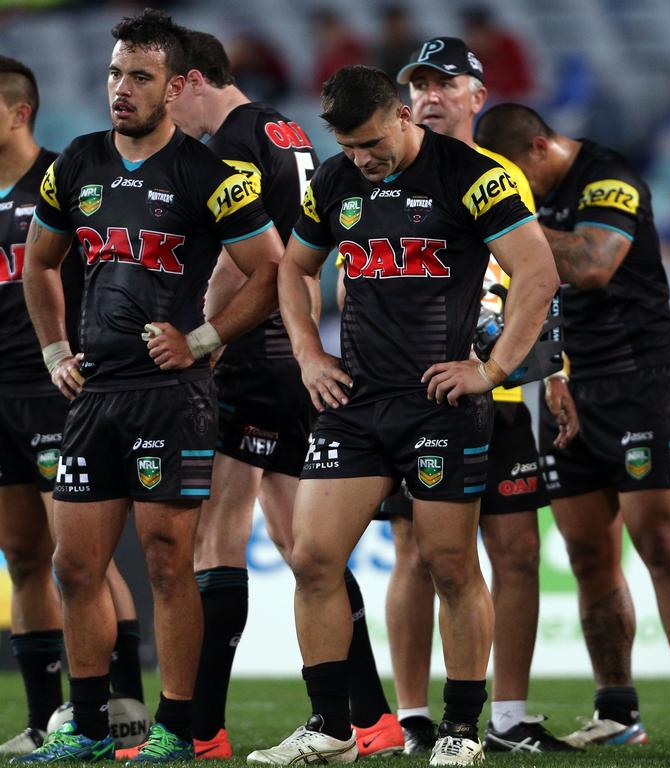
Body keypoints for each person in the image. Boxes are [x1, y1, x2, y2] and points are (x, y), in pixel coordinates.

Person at [246, 65, 558, 767]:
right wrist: (307, 355)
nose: (362, 159)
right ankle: (331, 727)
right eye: (349, 146)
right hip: (353, 403)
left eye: (370, 143)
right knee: (313, 558)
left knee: (451, 565)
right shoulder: (334, 181)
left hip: (440, 405)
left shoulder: (475, 175)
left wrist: (493, 370)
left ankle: (460, 731)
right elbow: (293, 270)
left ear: (402, 116)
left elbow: (537, 272)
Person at [15, 9, 282, 763]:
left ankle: (177, 727)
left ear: (174, 88)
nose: (121, 89)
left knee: (169, 564)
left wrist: (202, 339)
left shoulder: (211, 176)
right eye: (113, 74)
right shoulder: (76, 164)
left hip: (172, 396)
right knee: (74, 567)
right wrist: (54, 349)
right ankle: (91, 725)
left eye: (139, 76)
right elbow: (40, 264)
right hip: (94, 395)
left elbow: (272, 271)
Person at [151, 28, 399, 760]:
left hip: (253, 351)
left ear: (193, 80)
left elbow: (244, 263)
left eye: (170, 91)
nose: (172, 111)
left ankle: (203, 728)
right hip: (292, 350)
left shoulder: (227, 141)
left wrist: (203, 337)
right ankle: (374, 716)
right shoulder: (282, 127)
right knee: (301, 545)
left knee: (218, 532)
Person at [475, 103, 670, 748]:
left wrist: (514, 223)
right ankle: (617, 711)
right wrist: (553, 373)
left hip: (643, 381)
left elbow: (591, 264)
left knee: (661, 544)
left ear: (538, 148)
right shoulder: (537, 189)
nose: (507, 196)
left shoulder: (607, 177)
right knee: (588, 554)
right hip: (570, 386)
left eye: (511, 179)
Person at [375, 36, 575, 755]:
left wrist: (554, 370)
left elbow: (532, 280)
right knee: (417, 553)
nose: (429, 95)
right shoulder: (380, 171)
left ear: (475, 97)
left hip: (498, 389)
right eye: (419, 85)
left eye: (444, 83)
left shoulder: (499, 176)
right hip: (411, 390)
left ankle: (510, 715)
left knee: (516, 552)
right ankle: (410, 715)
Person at [0, 55, 146, 756]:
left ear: (18, 110)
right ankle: (40, 715)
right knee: (24, 555)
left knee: (81, 558)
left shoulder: (65, 178)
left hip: (57, 388)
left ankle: (124, 707)